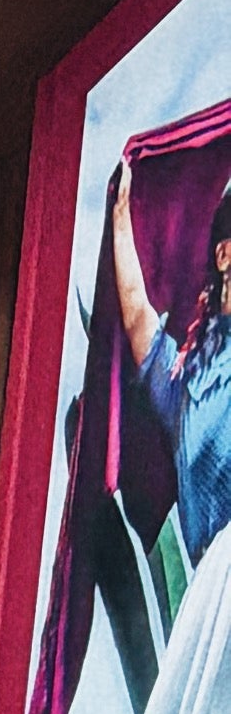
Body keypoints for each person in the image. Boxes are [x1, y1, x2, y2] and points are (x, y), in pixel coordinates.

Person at [108, 144, 231, 560]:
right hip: (211, 602)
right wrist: (123, 214)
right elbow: (138, 319)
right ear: (224, 255)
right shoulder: (188, 383)